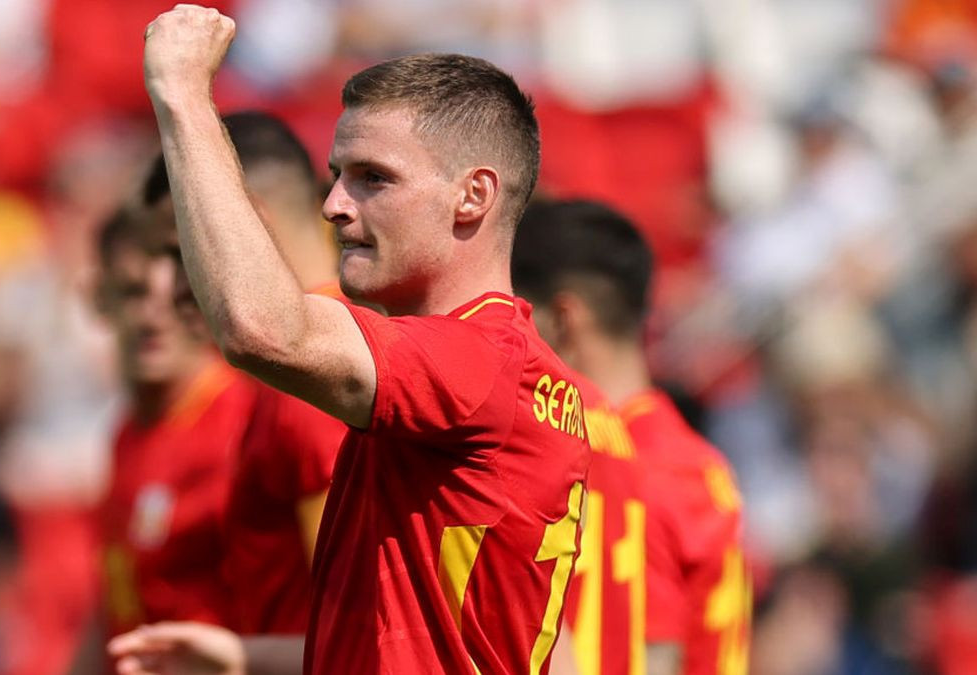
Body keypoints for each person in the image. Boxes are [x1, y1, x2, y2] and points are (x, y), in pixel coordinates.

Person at [110, 6, 594, 674]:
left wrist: (184, 96)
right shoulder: (515, 375)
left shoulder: (474, 360)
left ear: (472, 197)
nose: (335, 203)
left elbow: (262, 329)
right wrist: (245, 655)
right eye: (337, 175)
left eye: (374, 178)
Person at [511, 199, 750, 675]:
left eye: (517, 312)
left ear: (564, 318)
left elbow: (653, 658)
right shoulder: (699, 463)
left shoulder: (603, 454)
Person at [145, 110, 348, 641]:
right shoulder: (318, 359)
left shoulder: (314, 382)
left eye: (179, 247)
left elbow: (357, 627)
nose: (164, 287)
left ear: (246, 222)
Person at [69, 208, 256, 673]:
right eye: (134, 293)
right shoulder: (128, 433)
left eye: (179, 295)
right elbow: (115, 600)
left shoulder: (245, 423)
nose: (155, 318)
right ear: (96, 298)